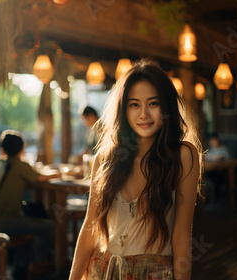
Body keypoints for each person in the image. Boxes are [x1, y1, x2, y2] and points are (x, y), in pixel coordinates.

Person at [69, 59, 203, 280]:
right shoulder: (106, 157)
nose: (143, 114)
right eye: (134, 105)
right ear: (124, 109)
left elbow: (181, 237)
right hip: (101, 270)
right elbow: (90, 228)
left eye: (153, 103)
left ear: (167, 106)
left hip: (154, 274)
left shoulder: (183, 155)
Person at [0, 130, 59, 278]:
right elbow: (40, 178)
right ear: (22, 148)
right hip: (2, 222)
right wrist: (61, 172)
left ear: (2, 149)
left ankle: (21, 269)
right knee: (48, 226)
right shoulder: (19, 165)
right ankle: (39, 264)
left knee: (25, 225)